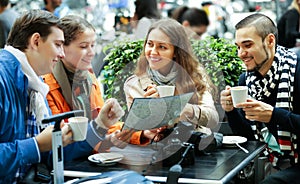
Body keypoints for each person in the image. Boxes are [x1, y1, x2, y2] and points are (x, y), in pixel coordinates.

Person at [0, 9, 124, 183]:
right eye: (58, 44)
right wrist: (35, 145)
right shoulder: (4, 78)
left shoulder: (34, 86)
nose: (62, 54)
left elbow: (51, 153)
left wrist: (99, 126)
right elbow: (40, 148)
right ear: (36, 41)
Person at [220, 13, 300, 183]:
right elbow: (248, 137)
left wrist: (274, 115)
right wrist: (231, 111)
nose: (241, 54)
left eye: (247, 45)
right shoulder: (247, 80)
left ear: (270, 41)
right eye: (238, 47)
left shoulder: (296, 70)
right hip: (272, 160)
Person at [42, 14, 133, 150]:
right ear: (62, 48)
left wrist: (121, 136)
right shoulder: (45, 85)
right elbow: (59, 143)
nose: (91, 52)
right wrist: (100, 128)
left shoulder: (89, 78)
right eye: (84, 46)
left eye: (93, 45)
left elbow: (105, 125)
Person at [124, 18, 219, 143]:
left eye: (162, 47)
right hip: (157, 153)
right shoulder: (134, 85)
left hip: (194, 148)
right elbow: (134, 130)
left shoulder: (195, 76)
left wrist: (180, 108)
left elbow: (213, 119)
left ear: (175, 52)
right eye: (150, 44)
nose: (153, 52)